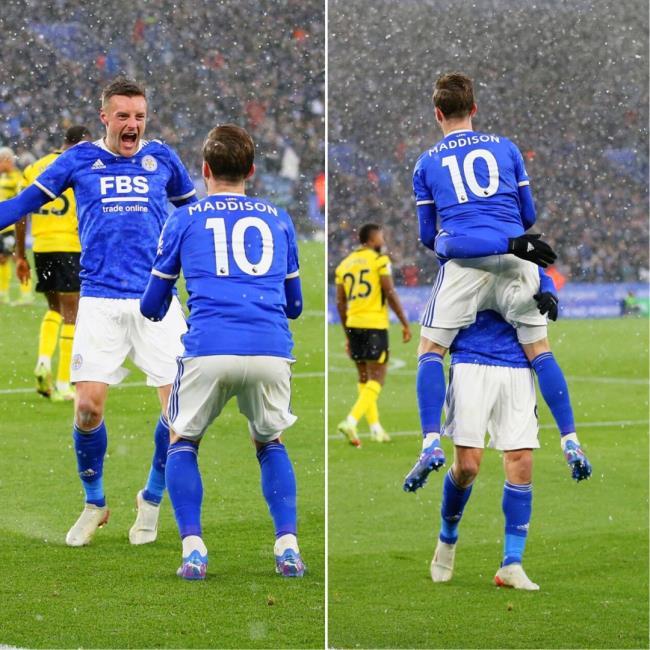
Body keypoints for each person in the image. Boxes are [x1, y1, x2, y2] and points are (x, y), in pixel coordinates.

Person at [0, 76, 197, 547]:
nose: (132, 124)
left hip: (156, 298)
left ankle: (151, 498)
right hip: (100, 300)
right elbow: (23, 203)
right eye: (123, 116)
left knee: (180, 415)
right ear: (104, 117)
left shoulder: (163, 158)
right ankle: (95, 503)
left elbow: (194, 217)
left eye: (139, 116)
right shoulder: (79, 160)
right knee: (87, 410)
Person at [140, 124, 305, 580]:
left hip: (210, 347)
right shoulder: (278, 218)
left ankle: (193, 549)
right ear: (251, 171)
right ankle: (288, 547)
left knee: (182, 441)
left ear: (204, 170)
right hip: (270, 349)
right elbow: (295, 306)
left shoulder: (184, 219)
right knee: (269, 442)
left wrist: (172, 299)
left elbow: (151, 306)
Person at [407, 72, 583, 489]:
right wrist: (507, 238)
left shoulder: (427, 162)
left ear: (437, 114)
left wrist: (462, 238)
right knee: (540, 351)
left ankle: (430, 442)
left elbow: (429, 236)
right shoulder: (506, 147)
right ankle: (571, 439)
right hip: (517, 257)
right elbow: (528, 215)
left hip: (465, 263)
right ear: (474, 108)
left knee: (430, 351)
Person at [420, 270, 591, 591]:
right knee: (467, 467)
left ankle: (512, 563)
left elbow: (536, 267)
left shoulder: (522, 257)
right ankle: (448, 536)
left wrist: (549, 287)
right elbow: (446, 251)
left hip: (517, 364)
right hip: (470, 360)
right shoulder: (467, 252)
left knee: (521, 462)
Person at [15, 126, 92, 401]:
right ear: (82, 143)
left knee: (54, 309)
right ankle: (62, 383)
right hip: (69, 246)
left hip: (42, 246)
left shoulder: (34, 168)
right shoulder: (81, 166)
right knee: (73, 314)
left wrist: (20, 254)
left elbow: (20, 211)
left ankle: (43, 360)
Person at [334, 223, 411, 447]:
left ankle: (376, 428)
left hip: (354, 324)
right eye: (380, 237)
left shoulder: (344, 265)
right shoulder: (379, 261)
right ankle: (351, 421)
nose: (383, 241)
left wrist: (347, 333)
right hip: (374, 324)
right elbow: (389, 292)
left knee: (364, 378)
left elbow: (340, 303)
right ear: (371, 239)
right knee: (377, 378)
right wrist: (404, 322)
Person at [0, 147, 32, 305]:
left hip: (11, 226)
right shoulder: (3, 177)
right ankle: (3, 293)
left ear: (8, 160)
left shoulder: (18, 178)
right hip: (2, 226)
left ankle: (26, 294)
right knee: (2, 259)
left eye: (1, 160)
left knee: (17, 258)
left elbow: (21, 203)